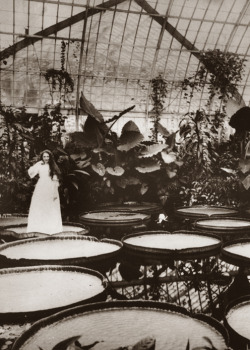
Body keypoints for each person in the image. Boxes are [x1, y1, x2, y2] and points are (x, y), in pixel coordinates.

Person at [27, 150, 63, 234]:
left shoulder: (53, 166)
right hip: (40, 187)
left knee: (50, 207)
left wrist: (54, 192)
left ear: (50, 157)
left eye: (47, 156)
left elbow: (55, 180)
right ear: (42, 157)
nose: (46, 158)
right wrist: (37, 164)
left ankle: (50, 228)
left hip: (50, 187)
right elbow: (31, 172)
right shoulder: (40, 165)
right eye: (44, 157)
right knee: (39, 206)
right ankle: (38, 228)